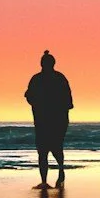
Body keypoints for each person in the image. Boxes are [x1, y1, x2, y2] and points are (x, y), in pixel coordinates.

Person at [25, 49, 73, 186]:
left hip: (44, 120)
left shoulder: (37, 79)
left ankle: (47, 178)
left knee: (44, 150)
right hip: (56, 120)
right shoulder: (59, 78)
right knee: (54, 147)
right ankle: (57, 171)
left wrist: (39, 105)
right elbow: (69, 102)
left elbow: (29, 97)